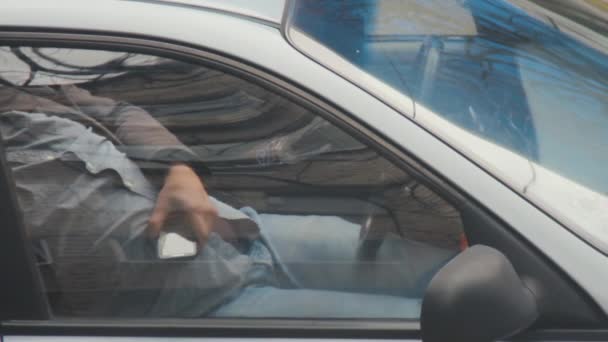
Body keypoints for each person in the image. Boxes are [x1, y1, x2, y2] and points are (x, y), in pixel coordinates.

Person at [0, 83, 452, 319]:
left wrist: (179, 169)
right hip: (197, 305)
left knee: (449, 279)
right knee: (442, 324)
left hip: (243, 233)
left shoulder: (15, 86)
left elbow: (117, 111)